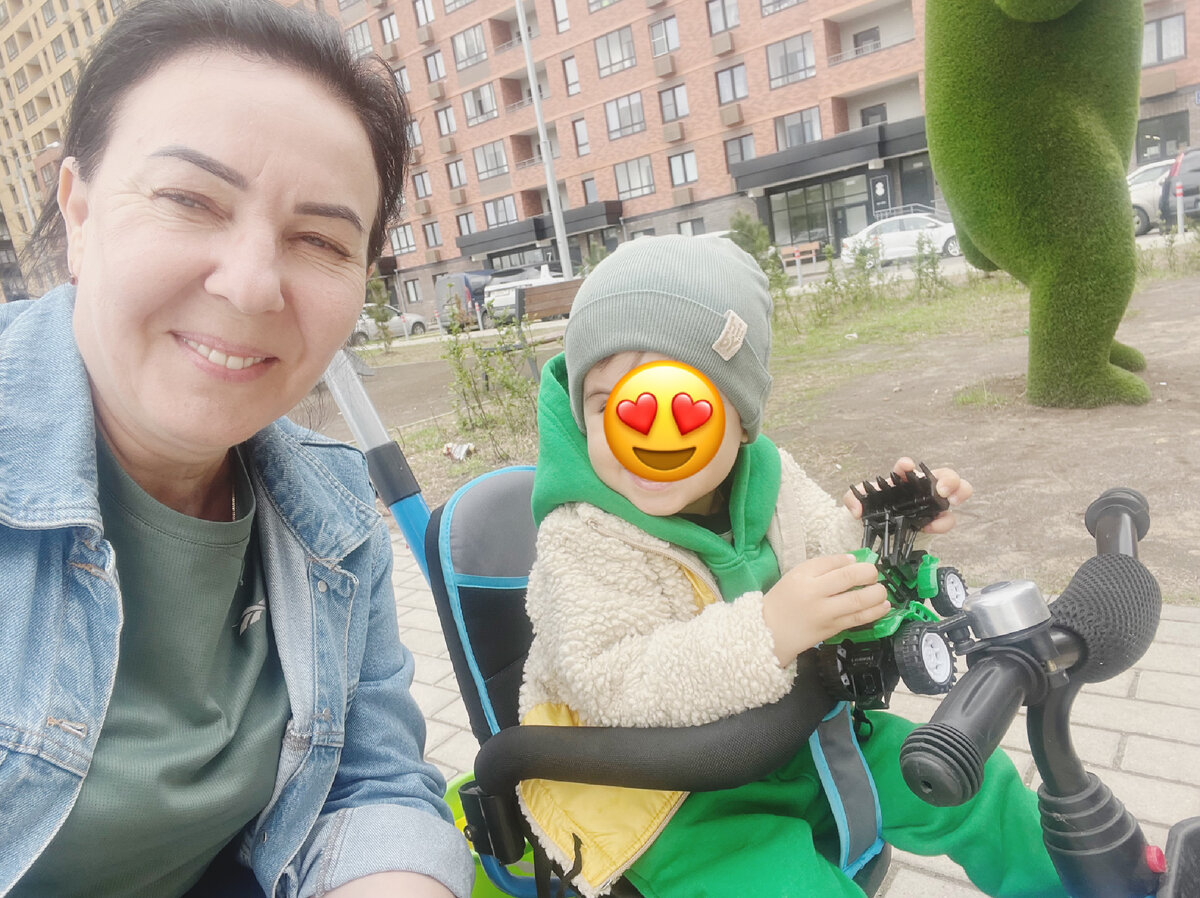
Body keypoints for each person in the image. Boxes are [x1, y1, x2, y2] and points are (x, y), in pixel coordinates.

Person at [0, 1, 473, 896]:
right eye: (189, 200)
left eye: (320, 240)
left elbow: (367, 779)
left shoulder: (334, 516)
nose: (253, 285)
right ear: (79, 211)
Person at [517, 235, 1067, 898]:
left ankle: (1087, 882)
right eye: (610, 406)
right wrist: (769, 630)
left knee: (977, 782)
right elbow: (608, 684)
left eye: (682, 403)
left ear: (740, 417)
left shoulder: (770, 480)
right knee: (789, 884)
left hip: (800, 739)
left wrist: (881, 529)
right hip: (668, 800)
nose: (645, 436)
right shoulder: (582, 537)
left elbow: (824, 554)